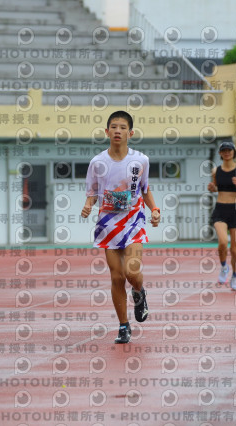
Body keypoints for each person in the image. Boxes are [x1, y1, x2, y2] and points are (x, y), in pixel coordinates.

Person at [81, 110, 161, 343]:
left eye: (123, 127)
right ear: (107, 132)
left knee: (132, 272)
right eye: (114, 127)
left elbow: (145, 189)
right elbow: (92, 192)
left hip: (134, 221)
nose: (118, 131)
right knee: (117, 277)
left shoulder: (140, 160)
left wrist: (155, 209)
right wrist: (88, 205)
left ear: (130, 133)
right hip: (108, 224)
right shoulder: (97, 162)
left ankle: (138, 291)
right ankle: (124, 326)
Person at [208, 141, 236, 291]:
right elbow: (215, 187)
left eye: (229, 150)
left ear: (233, 152)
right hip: (220, 209)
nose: (226, 153)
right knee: (223, 242)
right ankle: (224, 267)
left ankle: (235, 276)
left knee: (235, 249)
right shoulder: (215, 170)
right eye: (224, 150)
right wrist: (212, 188)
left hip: (235, 210)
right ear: (220, 153)